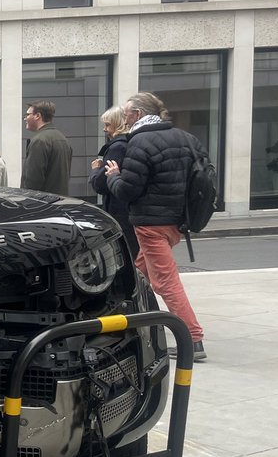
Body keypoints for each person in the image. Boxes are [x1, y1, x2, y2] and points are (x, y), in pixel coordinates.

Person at [104, 91, 206, 361]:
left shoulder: (141, 142)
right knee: (138, 273)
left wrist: (113, 176)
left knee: (165, 282)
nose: (124, 118)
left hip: (151, 223)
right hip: (178, 222)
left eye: (126, 113)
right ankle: (127, 322)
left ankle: (193, 339)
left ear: (137, 114)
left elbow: (127, 191)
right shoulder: (186, 138)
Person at [88, 106, 139, 261]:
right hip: (129, 209)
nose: (105, 129)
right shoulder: (131, 143)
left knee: (123, 256)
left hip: (118, 211)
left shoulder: (117, 147)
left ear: (119, 124)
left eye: (108, 125)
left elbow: (101, 185)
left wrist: (96, 170)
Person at [22, 100, 73, 195]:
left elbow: (33, 180)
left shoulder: (39, 141)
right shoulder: (62, 139)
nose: (25, 118)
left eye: (28, 115)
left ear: (37, 116)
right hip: (59, 201)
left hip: (41, 204)